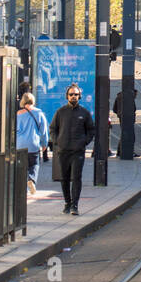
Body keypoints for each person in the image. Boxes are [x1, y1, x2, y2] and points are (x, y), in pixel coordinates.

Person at [49, 84, 94, 216]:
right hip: (63, 150)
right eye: (71, 94)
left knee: (76, 177)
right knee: (64, 178)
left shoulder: (84, 113)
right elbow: (53, 128)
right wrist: (57, 141)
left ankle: (75, 205)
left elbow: (91, 130)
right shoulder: (61, 112)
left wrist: (84, 142)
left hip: (78, 151)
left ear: (79, 96)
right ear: (67, 96)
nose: (73, 96)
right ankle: (67, 202)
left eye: (75, 94)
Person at [16, 91, 49, 195]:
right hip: (33, 143)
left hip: (20, 144)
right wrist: (44, 144)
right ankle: (32, 179)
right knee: (34, 164)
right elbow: (43, 131)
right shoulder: (39, 113)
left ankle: (22, 189)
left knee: (22, 166)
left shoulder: (18, 114)